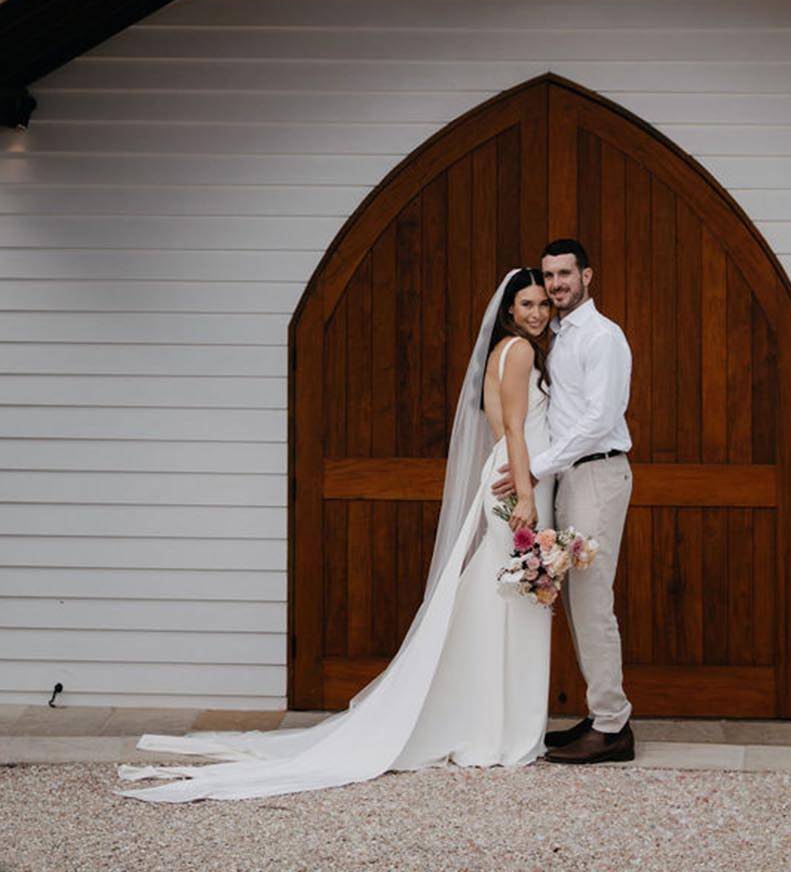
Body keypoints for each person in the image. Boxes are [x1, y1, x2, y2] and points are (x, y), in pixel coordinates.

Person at [117, 268, 556, 801]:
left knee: (504, 597)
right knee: (514, 598)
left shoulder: (503, 351)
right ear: (509, 309)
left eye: (542, 305)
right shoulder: (521, 353)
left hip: (510, 474)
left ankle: (492, 718)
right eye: (527, 304)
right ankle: (499, 728)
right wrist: (527, 493)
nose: (537, 313)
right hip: (517, 482)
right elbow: (511, 425)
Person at [491, 238, 635, 765]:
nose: (555, 284)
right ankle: (600, 713)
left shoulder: (602, 337)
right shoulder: (553, 334)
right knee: (577, 603)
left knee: (594, 600)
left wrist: (535, 467)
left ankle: (614, 725)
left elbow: (599, 420)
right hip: (567, 479)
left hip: (596, 475)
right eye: (549, 276)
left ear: (587, 276)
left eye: (565, 274)